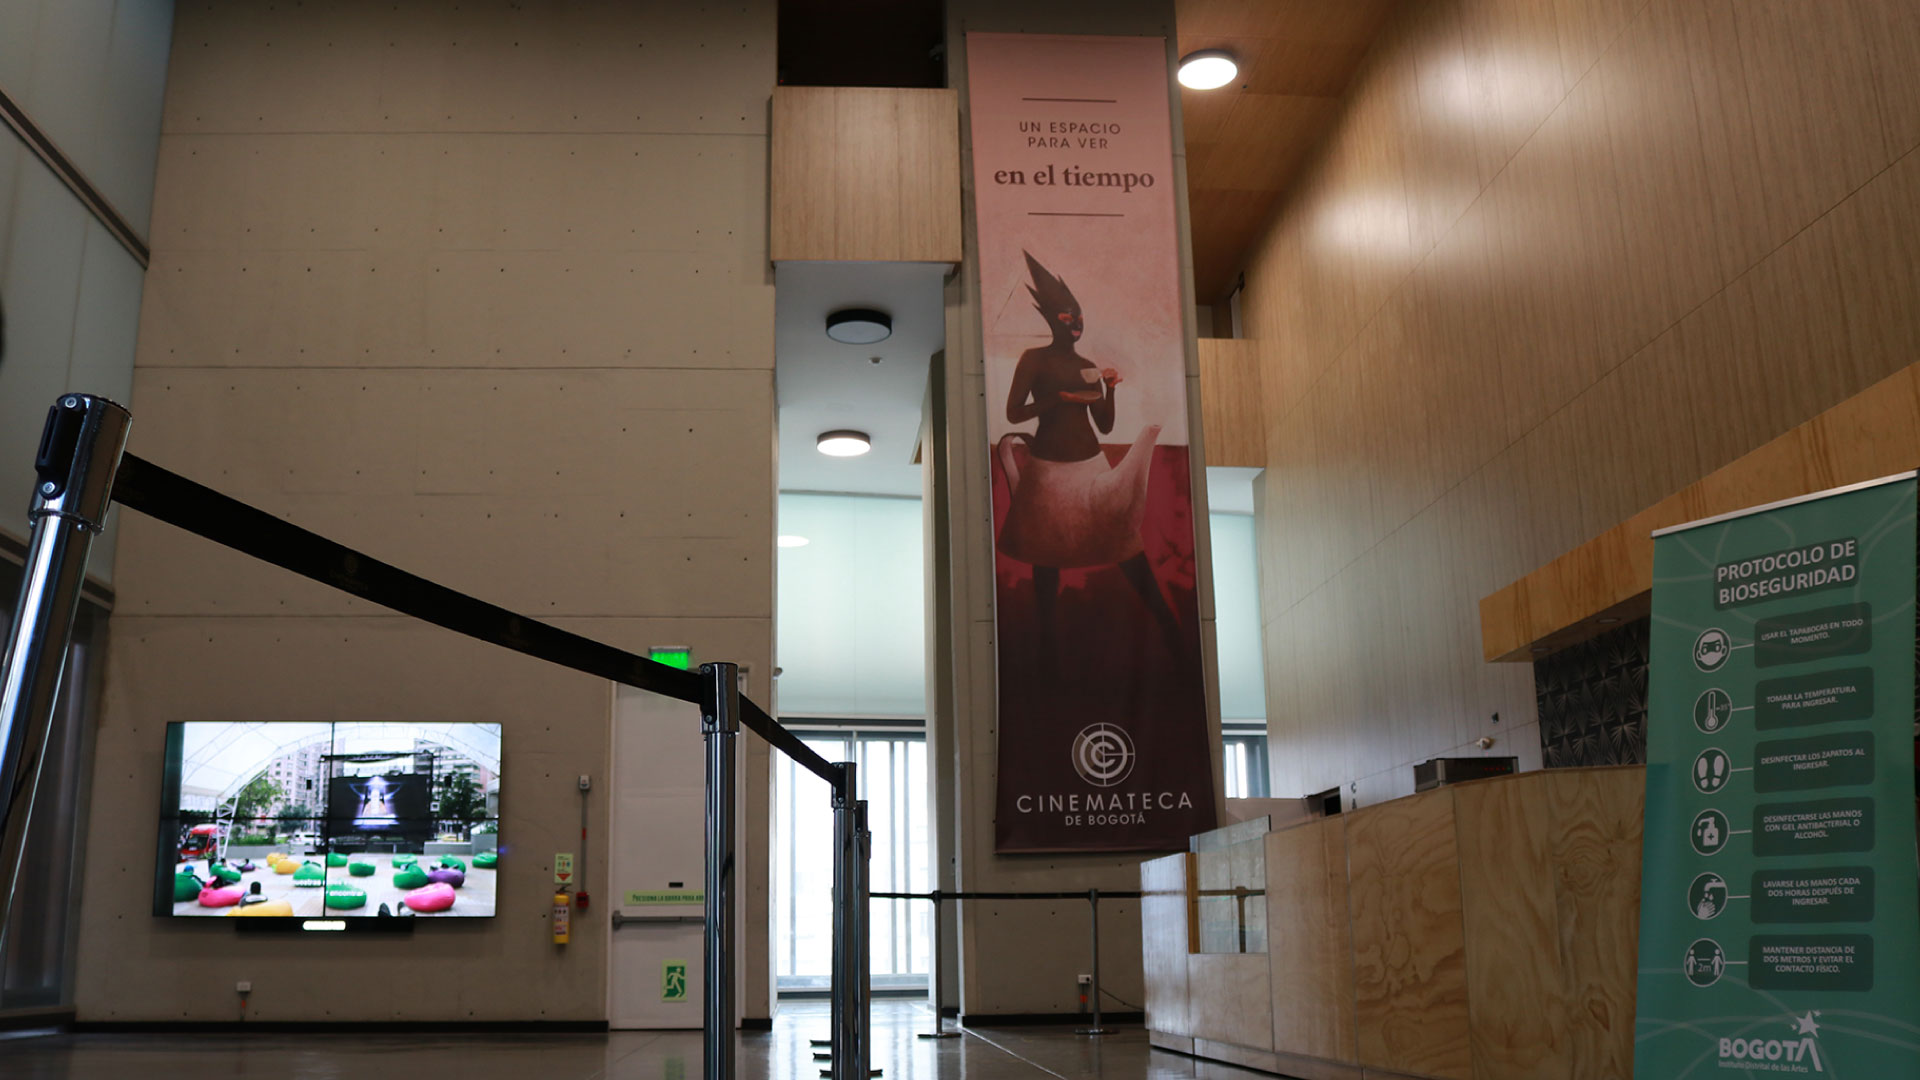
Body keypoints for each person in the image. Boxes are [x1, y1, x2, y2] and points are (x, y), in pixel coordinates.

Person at [996, 252, 1182, 660]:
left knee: (1123, 545)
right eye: (1066, 317)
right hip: (1046, 471)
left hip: (1091, 467)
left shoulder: (1087, 366)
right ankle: (1047, 648)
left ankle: (1170, 630)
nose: (1076, 325)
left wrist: (1109, 389)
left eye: (1079, 317)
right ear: (1050, 320)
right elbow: (1014, 413)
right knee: (1045, 560)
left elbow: (1106, 426)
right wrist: (1054, 400)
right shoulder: (1034, 360)